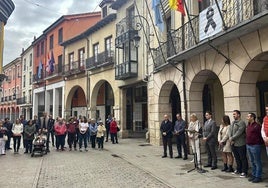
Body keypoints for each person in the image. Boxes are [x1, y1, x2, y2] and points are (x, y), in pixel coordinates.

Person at [228, 110, 248, 178]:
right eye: (233, 114)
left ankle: (244, 171)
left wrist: (232, 138)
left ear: (239, 115)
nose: (233, 116)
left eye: (235, 114)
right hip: (233, 143)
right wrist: (230, 138)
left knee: (243, 158)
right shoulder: (233, 122)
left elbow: (239, 133)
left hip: (240, 143)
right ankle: (238, 169)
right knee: (237, 158)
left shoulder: (242, 123)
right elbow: (229, 131)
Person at [246, 113, 262, 183]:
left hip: (255, 145)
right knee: (252, 161)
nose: (247, 117)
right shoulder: (248, 125)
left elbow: (260, 135)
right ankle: (254, 175)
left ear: (252, 117)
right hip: (248, 145)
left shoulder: (257, 126)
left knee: (257, 161)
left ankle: (258, 176)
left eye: (248, 116)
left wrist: (258, 142)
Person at [261, 104, 268, 187]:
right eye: (266, 110)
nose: (267, 111)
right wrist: (264, 137)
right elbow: (262, 129)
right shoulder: (265, 118)